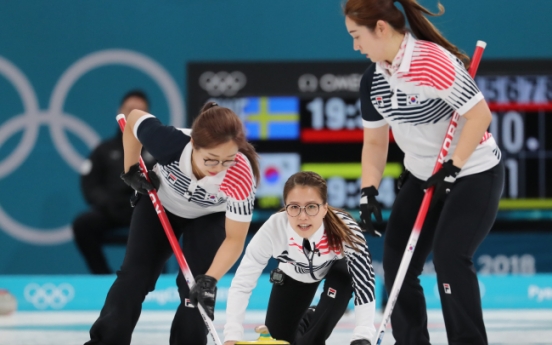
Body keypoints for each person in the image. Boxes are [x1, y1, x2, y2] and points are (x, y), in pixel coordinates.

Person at [343, 1, 505, 345]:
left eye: (357, 36)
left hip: (473, 170)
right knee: (397, 265)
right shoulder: (374, 79)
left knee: (450, 257)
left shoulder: (432, 62)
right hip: (421, 175)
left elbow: (480, 116)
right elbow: (374, 143)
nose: (355, 45)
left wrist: (453, 166)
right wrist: (368, 191)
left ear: (382, 29)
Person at [84, 101, 260, 345]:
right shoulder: (171, 143)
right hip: (161, 205)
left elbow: (235, 239)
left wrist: (210, 279)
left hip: (210, 216)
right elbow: (134, 118)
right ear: (193, 144)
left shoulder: (240, 174)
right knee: (134, 278)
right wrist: (130, 169)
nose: (219, 168)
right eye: (210, 159)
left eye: (227, 159)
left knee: (195, 289)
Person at [224, 171, 376, 345]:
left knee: (311, 341)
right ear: (286, 207)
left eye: (311, 206)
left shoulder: (346, 230)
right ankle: (309, 316)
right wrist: (232, 335)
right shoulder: (273, 229)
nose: (303, 216)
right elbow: (243, 282)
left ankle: (316, 320)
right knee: (280, 340)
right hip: (293, 276)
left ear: (325, 208)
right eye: (294, 207)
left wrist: (363, 336)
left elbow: (365, 282)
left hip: (338, 273)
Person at [73, 90, 154, 274]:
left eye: (140, 111)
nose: (134, 116)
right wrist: (108, 204)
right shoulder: (103, 150)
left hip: (146, 213)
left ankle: (146, 276)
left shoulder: (156, 151)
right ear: (120, 111)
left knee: (171, 223)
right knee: (83, 224)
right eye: (130, 110)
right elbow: (90, 185)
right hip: (112, 211)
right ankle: (102, 275)